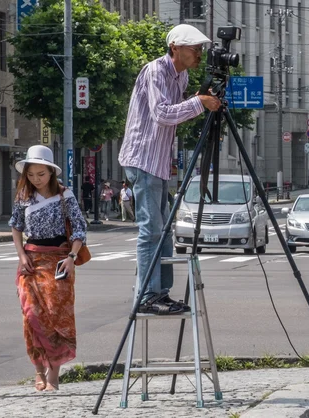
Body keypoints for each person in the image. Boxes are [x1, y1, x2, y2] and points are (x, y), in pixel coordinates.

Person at [118, 24, 221, 315]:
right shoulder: (156, 71)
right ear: (175, 47)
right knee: (151, 229)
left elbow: (176, 111)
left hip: (158, 161)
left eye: (200, 48)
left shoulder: (181, 75)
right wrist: (200, 103)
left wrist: (199, 98)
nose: (199, 53)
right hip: (144, 157)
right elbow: (162, 113)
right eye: (194, 48)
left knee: (163, 230)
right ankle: (148, 295)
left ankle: (160, 292)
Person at [8, 145, 87, 392]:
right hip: (31, 261)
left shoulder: (66, 195)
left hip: (60, 260)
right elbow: (16, 226)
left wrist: (72, 257)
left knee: (56, 316)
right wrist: (21, 255)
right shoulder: (23, 196)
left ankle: (53, 375)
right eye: (31, 175)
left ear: (51, 172)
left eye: (41, 174)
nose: (35, 179)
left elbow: (80, 229)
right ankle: (38, 371)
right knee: (31, 316)